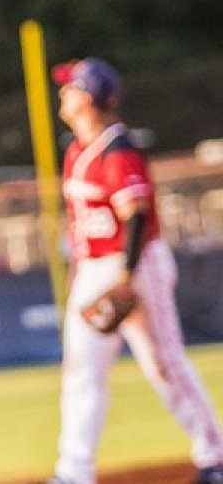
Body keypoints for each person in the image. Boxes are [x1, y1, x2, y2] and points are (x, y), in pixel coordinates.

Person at [46, 58, 223, 484]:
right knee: (81, 371)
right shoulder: (76, 150)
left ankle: (215, 457)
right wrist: (79, 275)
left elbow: (137, 215)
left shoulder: (116, 149)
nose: (63, 93)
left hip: (134, 263)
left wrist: (125, 276)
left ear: (87, 97)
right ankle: (73, 471)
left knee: (164, 364)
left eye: (69, 87)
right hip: (93, 269)